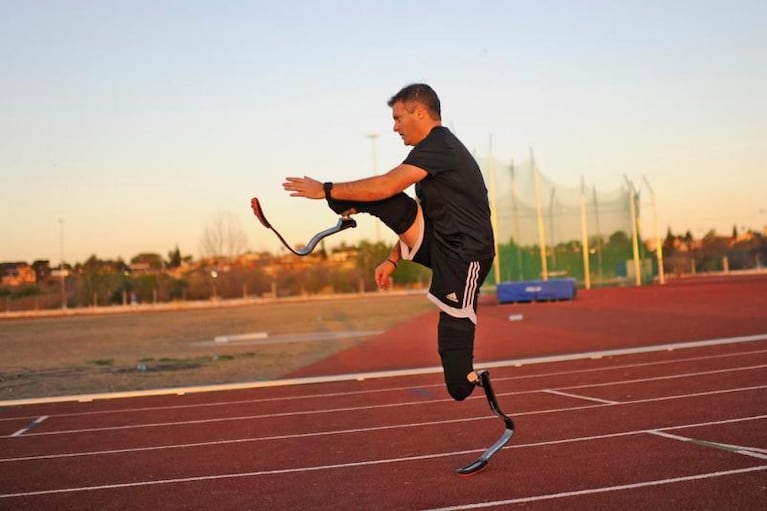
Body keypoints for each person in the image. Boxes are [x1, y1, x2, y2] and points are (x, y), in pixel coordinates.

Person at [283, 83, 495, 401]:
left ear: (419, 112)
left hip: (466, 254)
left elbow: (385, 184)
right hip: (441, 241)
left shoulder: (442, 145)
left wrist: (325, 190)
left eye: (398, 118)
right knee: (388, 201)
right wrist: (393, 258)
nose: (394, 126)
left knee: (457, 384)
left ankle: (473, 379)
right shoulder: (428, 151)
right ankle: (345, 208)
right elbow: (404, 203)